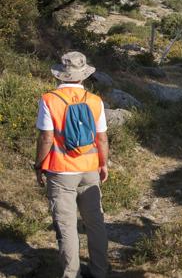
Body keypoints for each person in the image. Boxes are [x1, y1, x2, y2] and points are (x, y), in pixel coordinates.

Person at [34, 51, 109, 278]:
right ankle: (99, 271)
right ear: (83, 76)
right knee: (95, 222)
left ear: (61, 75)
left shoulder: (49, 99)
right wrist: (103, 164)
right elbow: (102, 138)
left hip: (60, 170)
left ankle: (71, 274)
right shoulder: (95, 101)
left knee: (67, 226)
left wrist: (39, 165)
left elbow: (46, 138)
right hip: (90, 169)